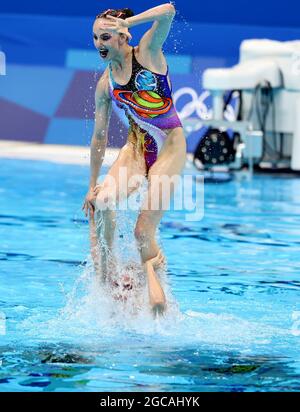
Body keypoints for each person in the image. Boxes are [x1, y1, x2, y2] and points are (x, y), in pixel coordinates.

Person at [82, 4, 187, 315]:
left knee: (143, 231)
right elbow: (99, 137)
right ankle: (106, 277)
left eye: (106, 37)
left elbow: (168, 10)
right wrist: (91, 186)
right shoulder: (106, 83)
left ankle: (153, 272)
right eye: (95, 37)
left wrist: (129, 21)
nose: (99, 44)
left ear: (122, 36)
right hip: (136, 148)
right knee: (102, 203)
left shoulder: (148, 53)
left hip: (169, 147)